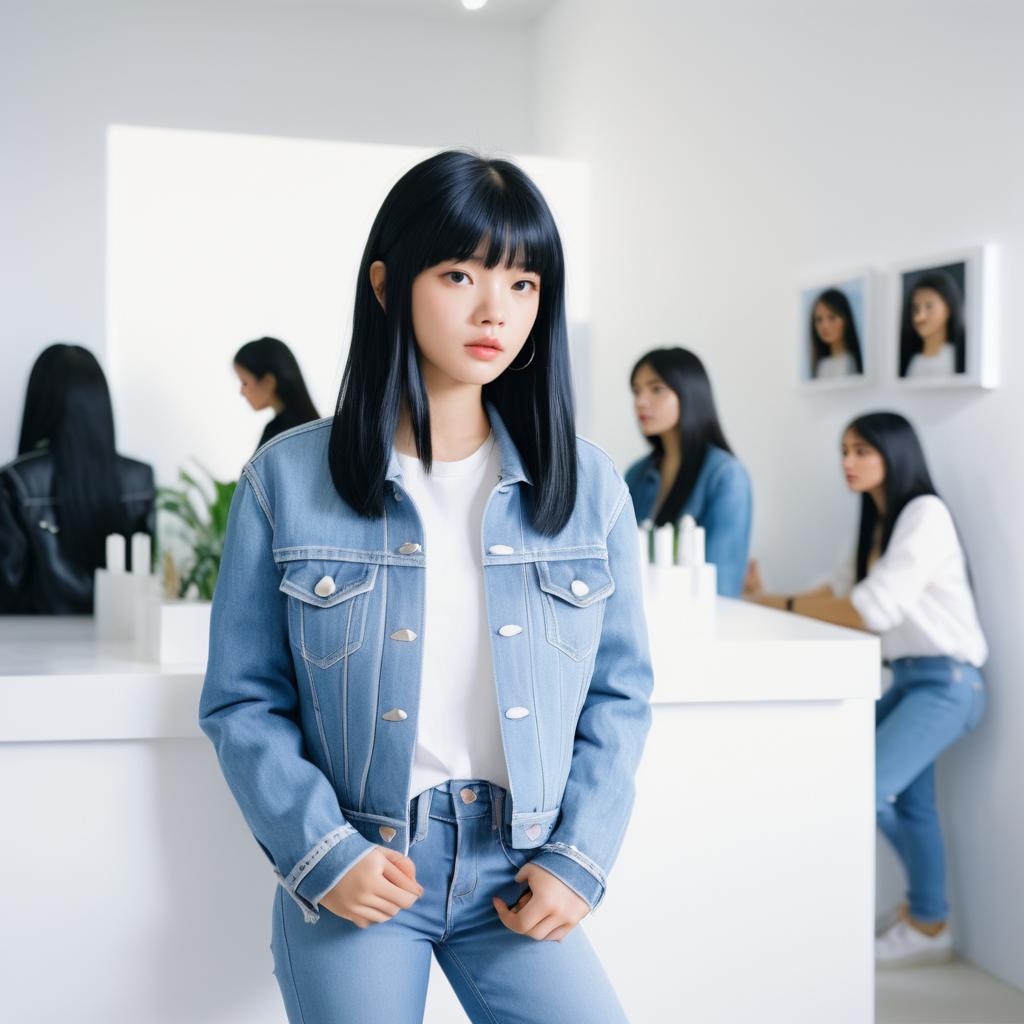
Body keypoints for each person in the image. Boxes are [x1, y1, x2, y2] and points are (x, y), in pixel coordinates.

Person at [199, 150, 653, 1023]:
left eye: (523, 284)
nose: (496, 311)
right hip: (363, 861)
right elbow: (242, 702)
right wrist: (323, 853)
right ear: (386, 284)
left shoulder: (589, 490)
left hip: (520, 862)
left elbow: (620, 694)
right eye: (460, 275)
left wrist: (581, 856)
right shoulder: (286, 482)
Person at [744, 412, 987, 968]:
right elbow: (836, 591)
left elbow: (869, 609)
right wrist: (763, 599)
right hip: (909, 679)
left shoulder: (925, 513)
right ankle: (928, 919)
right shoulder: (879, 522)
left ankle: (928, 921)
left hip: (948, 681)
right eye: (845, 451)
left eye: (862, 451)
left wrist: (776, 604)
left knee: (864, 788)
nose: (848, 463)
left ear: (894, 455)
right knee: (915, 804)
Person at [0, 343, 155, 614]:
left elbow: (7, 589)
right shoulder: (140, 478)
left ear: (40, 403)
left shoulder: (16, 480)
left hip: (33, 647)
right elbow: (149, 574)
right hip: (124, 638)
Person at [625, 347, 752, 596]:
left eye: (656, 389)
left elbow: (723, 583)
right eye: (636, 391)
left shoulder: (725, 475)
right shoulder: (637, 474)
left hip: (698, 620)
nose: (641, 401)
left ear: (690, 394)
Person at [233, 335, 320, 450]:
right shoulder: (316, 429)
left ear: (268, 382)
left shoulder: (277, 435)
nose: (242, 392)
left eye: (244, 382)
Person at [899, 270, 966, 379]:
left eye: (929, 307)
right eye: (916, 309)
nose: (920, 317)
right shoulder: (913, 361)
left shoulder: (956, 358)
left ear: (948, 309)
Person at [809, 287, 864, 379]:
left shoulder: (851, 363)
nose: (824, 326)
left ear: (846, 319)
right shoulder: (822, 366)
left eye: (832, 317)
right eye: (819, 319)